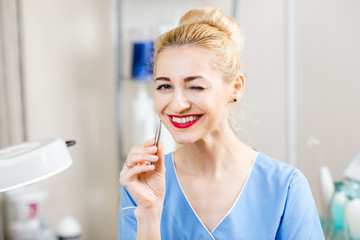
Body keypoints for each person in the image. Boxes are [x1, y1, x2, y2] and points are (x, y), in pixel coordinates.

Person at [119, 7, 324, 240]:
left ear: (235, 87)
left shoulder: (286, 188)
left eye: (195, 86)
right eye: (164, 86)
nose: (177, 105)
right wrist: (149, 213)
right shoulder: (140, 184)